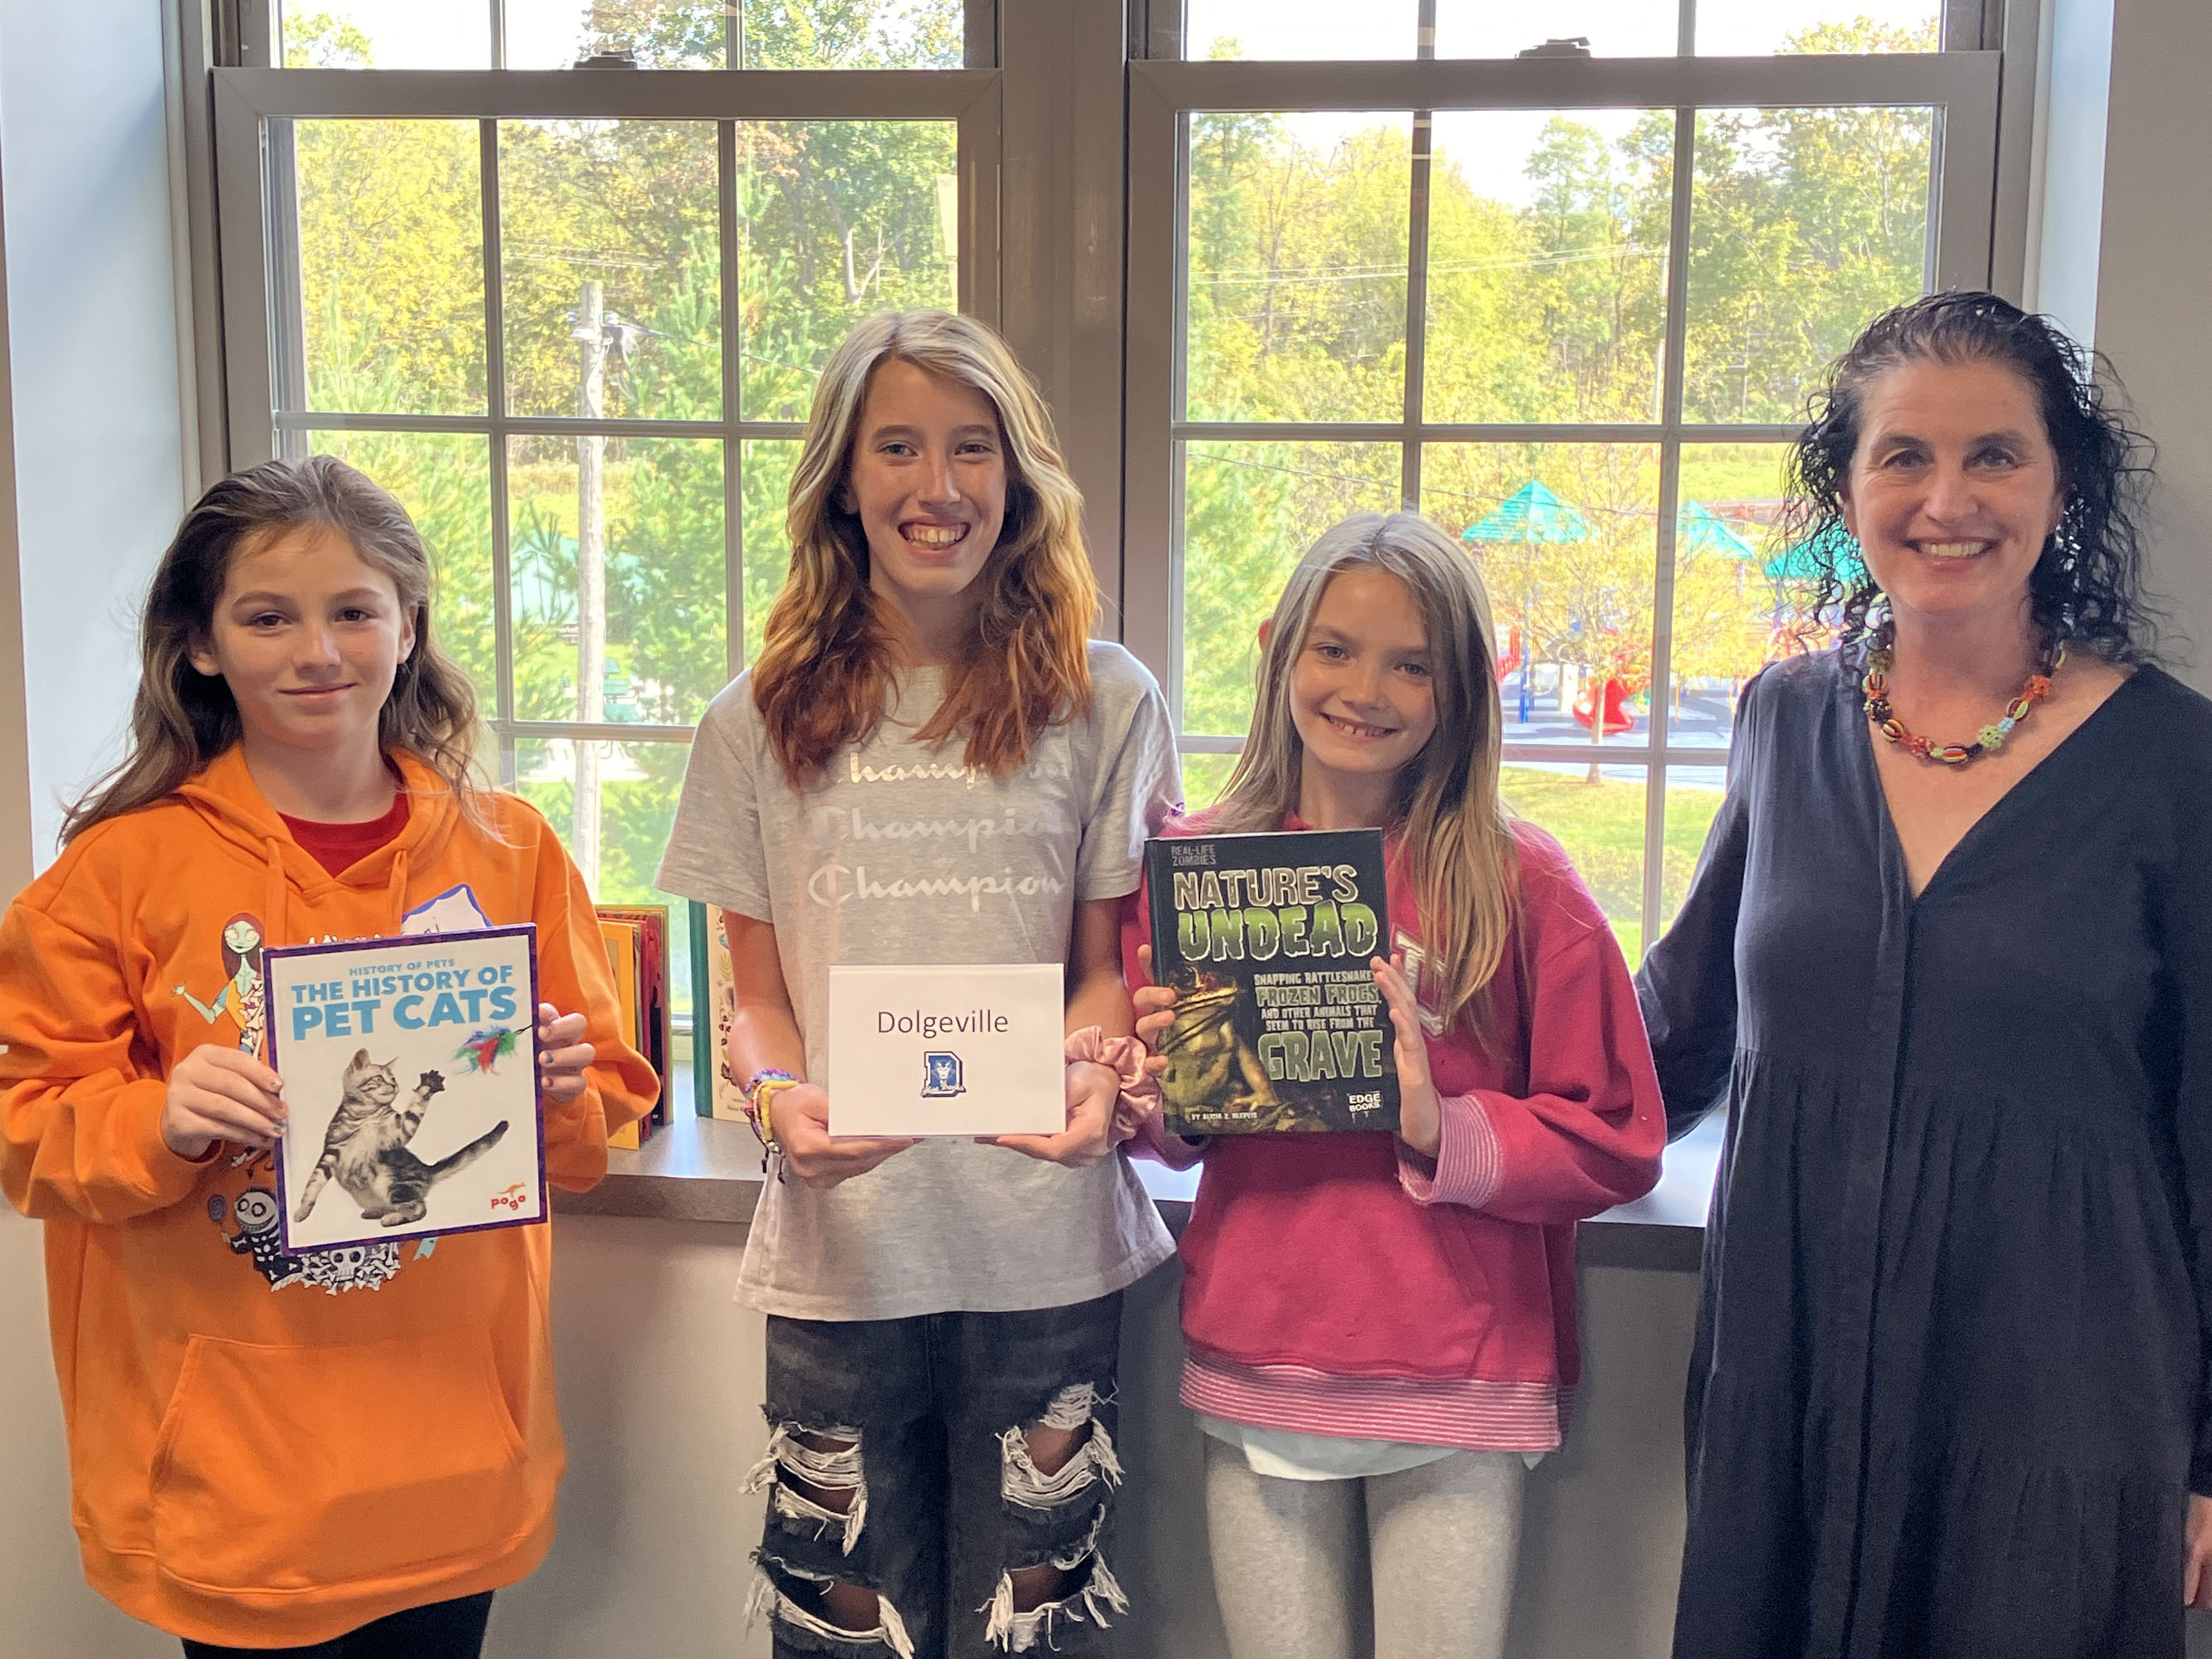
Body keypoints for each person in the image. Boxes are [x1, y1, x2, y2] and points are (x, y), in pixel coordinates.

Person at [0, 456, 656, 1657]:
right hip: (234, 1480)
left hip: (457, 1457)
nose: (318, 650)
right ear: (200, 644)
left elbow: (606, 1107)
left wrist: (564, 1087)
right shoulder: (116, 874)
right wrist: (160, 1118)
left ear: (407, 627)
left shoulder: (510, 852)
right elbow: (27, 1128)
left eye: (355, 610)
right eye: (268, 616)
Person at [1639, 290, 2212, 1657]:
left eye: (1993, 455)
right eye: (1904, 455)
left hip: (2058, 1391)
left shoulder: (2176, 764)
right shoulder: (1785, 718)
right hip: (1795, 1370)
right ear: (1848, 484)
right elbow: (1678, 1024)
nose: (1946, 498)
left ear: (2060, 481)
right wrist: (1423, 1069)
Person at [656, 309, 1180, 1659]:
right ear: (844, 476)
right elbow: (754, 996)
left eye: (970, 449)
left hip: (1049, 1240)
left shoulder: (1106, 698)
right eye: (896, 448)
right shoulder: (752, 718)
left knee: (1036, 1628)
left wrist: (1086, 1076)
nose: (935, 487)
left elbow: (1102, 970)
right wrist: (776, 1105)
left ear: (1016, 479)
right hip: (845, 1254)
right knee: (845, 1628)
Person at [1123, 512, 1665, 1659]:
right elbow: (1177, 1136)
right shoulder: (1201, 866)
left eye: (1410, 662)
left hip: (1458, 1380)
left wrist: (1442, 1124)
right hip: (1260, 1356)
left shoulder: (1522, 879)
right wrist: (1155, 1085)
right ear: (1280, 655)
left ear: (1458, 688)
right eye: (1335, 648)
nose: (1365, 688)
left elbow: (1616, 1134)